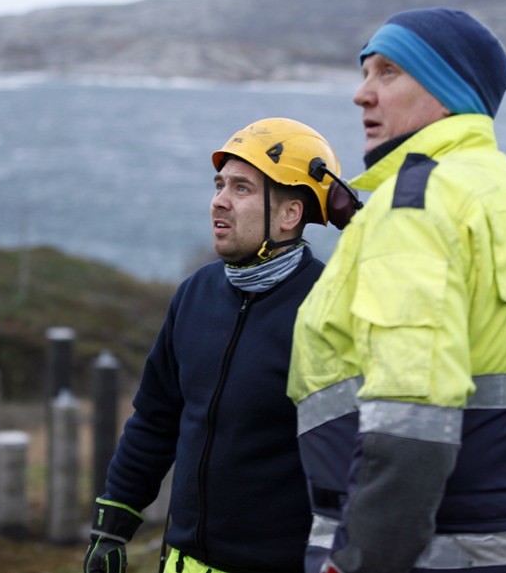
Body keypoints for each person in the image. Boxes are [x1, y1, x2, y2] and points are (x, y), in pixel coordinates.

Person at [288, 7, 506, 573]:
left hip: (402, 553)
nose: (361, 94)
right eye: (365, 73)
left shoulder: (417, 202)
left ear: (448, 92)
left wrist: (358, 559)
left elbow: (410, 419)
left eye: (388, 72)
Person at [83, 118, 358, 573]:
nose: (219, 201)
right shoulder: (195, 294)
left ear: (290, 214)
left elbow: (352, 460)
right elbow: (155, 418)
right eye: (219, 185)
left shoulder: (331, 309)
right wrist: (112, 524)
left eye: (241, 188)